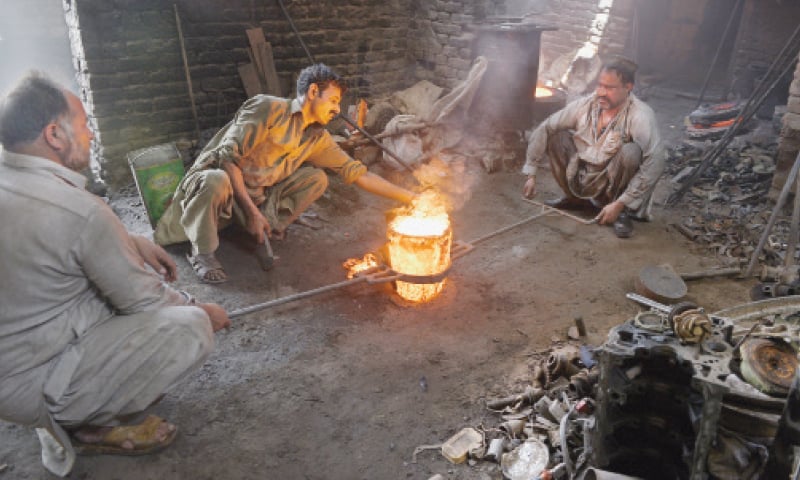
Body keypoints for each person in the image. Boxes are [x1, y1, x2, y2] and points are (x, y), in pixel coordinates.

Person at [0, 72, 231, 477]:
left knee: (104, 279)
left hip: (13, 355)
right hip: (28, 380)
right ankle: (80, 423)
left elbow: (63, 232)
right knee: (189, 326)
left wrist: (128, 239)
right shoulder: (80, 212)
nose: (91, 135)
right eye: (85, 125)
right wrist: (203, 308)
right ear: (54, 134)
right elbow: (144, 300)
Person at [154, 63, 416, 283]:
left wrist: (412, 198)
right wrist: (254, 212)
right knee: (216, 178)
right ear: (313, 91)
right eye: (334, 100)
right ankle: (202, 252)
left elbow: (359, 174)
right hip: (218, 189)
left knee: (316, 178)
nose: (337, 109)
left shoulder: (318, 138)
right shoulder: (267, 109)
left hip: (254, 198)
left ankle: (262, 227)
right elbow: (227, 160)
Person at [522, 56, 665, 238]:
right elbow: (547, 127)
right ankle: (574, 199)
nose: (601, 92)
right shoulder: (587, 104)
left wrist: (622, 203)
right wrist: (531, 173)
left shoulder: (640, 115)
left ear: (628, 87)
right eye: (600, 85)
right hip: (584, 173)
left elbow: (657, 160)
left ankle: (620, 212)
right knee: (557, 136)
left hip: (613, 181)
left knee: (632, 152)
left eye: (610, 88)